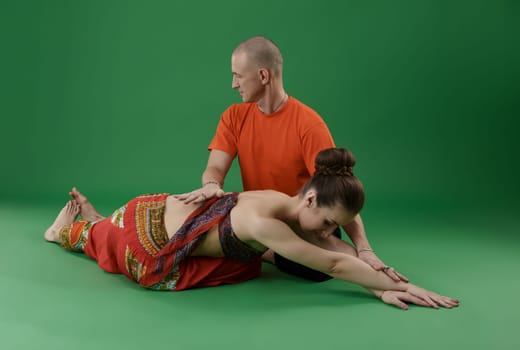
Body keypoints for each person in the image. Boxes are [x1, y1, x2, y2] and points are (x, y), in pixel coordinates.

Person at [45, 148, 458, 310]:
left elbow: (338, 253)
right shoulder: (265, 223)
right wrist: (387, 285)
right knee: (94, 239)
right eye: (331, 223)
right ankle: (68, 229)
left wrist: (379, 280)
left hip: (157, 211)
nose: (331, 232)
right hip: (150, 245)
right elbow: (333, 264)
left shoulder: (283, 200)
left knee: (106, 228)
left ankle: (96, 221)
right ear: (311, 199)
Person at [176, 36, 404, 283]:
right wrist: (211, 184)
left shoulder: (308, 125)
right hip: (264, 218)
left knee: (319, 269)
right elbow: (215, 167)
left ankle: (269, 251)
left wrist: (364, 248)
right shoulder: (233, 116)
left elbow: (338, 191)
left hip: (307, 223)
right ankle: (271, 250)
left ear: (263, 76)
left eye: (238, 76)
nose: (233, 84)